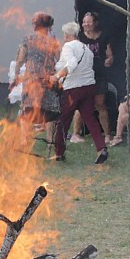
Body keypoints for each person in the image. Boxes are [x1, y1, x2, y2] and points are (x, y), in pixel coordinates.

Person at [51, 21, 108, 164]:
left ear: (68, 34)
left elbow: (72, 64)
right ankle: (101, 148)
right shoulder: (86, 49)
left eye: (64, 34)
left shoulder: (68, 46)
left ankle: (59, 153)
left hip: (73, 89)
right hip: (89, 87)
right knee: (90, 119)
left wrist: (57, 77)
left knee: (63, 120)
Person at [15, 12, 61, 157]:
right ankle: (51, 146)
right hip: (48, 80)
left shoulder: (27, 39)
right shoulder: (53, 41)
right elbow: (59, 59)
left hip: (32, 79)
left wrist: (16, 73)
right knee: (50, 114)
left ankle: (25, 142)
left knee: (27, 110)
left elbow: (21, 58)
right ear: (49, 26)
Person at [80, 12, 116, 145]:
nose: (85, 25)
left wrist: (109, 60)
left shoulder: (104, 37)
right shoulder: (80, 37)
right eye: (84, 22)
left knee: (100, 104)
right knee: (81, 104)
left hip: (99, 75)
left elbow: (109, 55)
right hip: (84, 75)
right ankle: (76, 134)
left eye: (88, 22)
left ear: (95, 23)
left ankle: (107, 135)